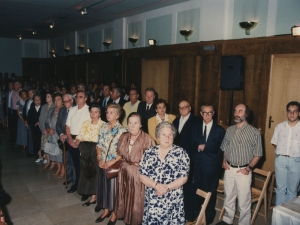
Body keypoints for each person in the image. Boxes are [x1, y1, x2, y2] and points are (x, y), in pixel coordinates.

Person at [216, 104, 263, 225]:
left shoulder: (254, 132)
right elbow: (225, 148)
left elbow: (258, 154)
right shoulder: (230, 129)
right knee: (228, 198)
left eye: (240, 111)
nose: (237, 113)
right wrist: (224, 161)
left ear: (246, 114)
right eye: (236, 111)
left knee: (244, 202)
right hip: (229, 169)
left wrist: (248, 168)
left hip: (243, 171)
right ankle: (227, 220)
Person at [139, 122, 190, 224]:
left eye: (170, 135)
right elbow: (142, 176)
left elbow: (184, 177)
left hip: (173, 199)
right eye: (164, 135)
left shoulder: (181, 153)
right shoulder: (149, 153)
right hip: (154, 198)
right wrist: (156, 185)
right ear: (158, 137)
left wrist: (168, 187)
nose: (167, 138)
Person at [114, 112, 156, 225]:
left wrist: (142, 164)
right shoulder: (123, 137)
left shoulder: (148, 139)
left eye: (135, 123)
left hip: (139, 175)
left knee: (136, 201)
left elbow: (153, 162)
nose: (132, 126)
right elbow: (119, 154)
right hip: (124, 171)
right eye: (130, 123)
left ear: (141, 125)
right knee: (125, 197)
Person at [190, 104, 225, 224]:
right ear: (201, 114)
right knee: (197, 189)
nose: (207, 115)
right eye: (205, 113)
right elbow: (191, 142)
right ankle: (198, 214)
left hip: (211, 166)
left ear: (213, 113)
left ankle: (209, 217)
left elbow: (219, 149)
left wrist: (205, 147)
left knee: (210, 191)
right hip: (198, 164)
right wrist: (199, 146)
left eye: (210, 113)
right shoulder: (195, 127)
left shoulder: (220, 130)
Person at [95, 103, 127, 224]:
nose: (108, 114)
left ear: (117, 115)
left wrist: (112, 161)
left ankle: (114, 214)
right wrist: (99, 159)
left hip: (114, 165)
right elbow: (98, 145)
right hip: (102, 163)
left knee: (114, 191)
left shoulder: (123, 131)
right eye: (107, 112)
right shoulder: (103, 127)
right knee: (103, 188)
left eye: (111, 112)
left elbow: (124, 152)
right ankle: (106, 210)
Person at [271, 101, 300, 206]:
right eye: (290, 111)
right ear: (286, 113)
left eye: (295, 111)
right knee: (280, 189)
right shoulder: (279, 127)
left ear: (299, 113)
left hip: (296, 162)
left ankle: (287, 217)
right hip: (281, 161)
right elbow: (274, 143)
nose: (292, 114)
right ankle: (279, 219)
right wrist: (283, 153)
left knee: (292, 191)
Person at [75, 103, 104, 207]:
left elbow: (102, 141)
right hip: (85, 150)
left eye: (96, 112)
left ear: (100, 114)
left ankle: (94, 197)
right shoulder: (86, 123)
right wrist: (77, 141)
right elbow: (80, 136)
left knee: (95, 174)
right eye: (91, 112)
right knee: (86, 172)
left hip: (96, 151)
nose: (93, 114)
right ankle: (88, 193)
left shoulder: (103, 125)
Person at [65, 91, 90, 195]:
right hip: (72, 139)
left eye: (80, 97)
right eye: (77, 97)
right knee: (75, 164)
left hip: (83, 141)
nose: (78, 99)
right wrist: (70, 140)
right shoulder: (72, 109)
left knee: (83, 165)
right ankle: (76, 185)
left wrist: (78, 141)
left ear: (85, 98)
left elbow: (88, 129)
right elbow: (67, 126)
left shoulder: (88, 110)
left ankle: (85, 189)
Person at [56, 94, 76, 186]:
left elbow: (76, 127)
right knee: (66, 160)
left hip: (73, 139)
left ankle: (75, 180)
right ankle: (69, 178)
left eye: (67, 101)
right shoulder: (62, 110)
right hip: (64, 140)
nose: (65, 103)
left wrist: (67, 135)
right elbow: (58, 125)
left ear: (72, 101)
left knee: (73, 161)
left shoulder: (76, 110)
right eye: (64, 101)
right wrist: (61, 134)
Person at [45, 93, 65, 178]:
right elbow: (46, 122)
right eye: (55, 100)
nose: (56, 102)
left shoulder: (64, 110)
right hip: (51, 135)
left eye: (59, 100)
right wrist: (48, 129)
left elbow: (64, 124)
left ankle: (63, 170)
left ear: (62, 101)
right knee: (54, 152)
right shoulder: (51, 110)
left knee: (60, 153)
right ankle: (58, 168)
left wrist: (56, 131)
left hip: (59, 134)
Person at [38, 93, 55, 165]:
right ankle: (47, 160)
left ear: (52, 98)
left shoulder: (54, 106)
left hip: (50, 130)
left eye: (48, 96)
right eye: (46, 96)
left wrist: (48, 129)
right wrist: (42, 128)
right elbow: (41, 119)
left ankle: (52, 162)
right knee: (45, 146)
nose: (46, 98)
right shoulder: (43, 106)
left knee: (51, 146)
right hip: (44, 130)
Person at [27, 94, 42, 160]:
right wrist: (35, 123)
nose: (37, 101)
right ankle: (39, 155)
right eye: (36, 100)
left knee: (42, 142)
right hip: (35, 128)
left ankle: (44, 156)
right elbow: (29, 119)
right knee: (36, 141)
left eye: (39, 100)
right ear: (33, 101)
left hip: (42, 128)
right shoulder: (31, 109)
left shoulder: (43, 108)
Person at [23, 89, 36, 156]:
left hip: (33, 122)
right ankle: (30, 151)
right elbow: (25, 111)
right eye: (29, 94)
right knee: (29, 136)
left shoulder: (36, 101)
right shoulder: (27, 101)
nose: (29, 95)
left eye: (31, 94)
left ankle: (34, 151)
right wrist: (25, 119)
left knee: (33, 137)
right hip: (28, 121)